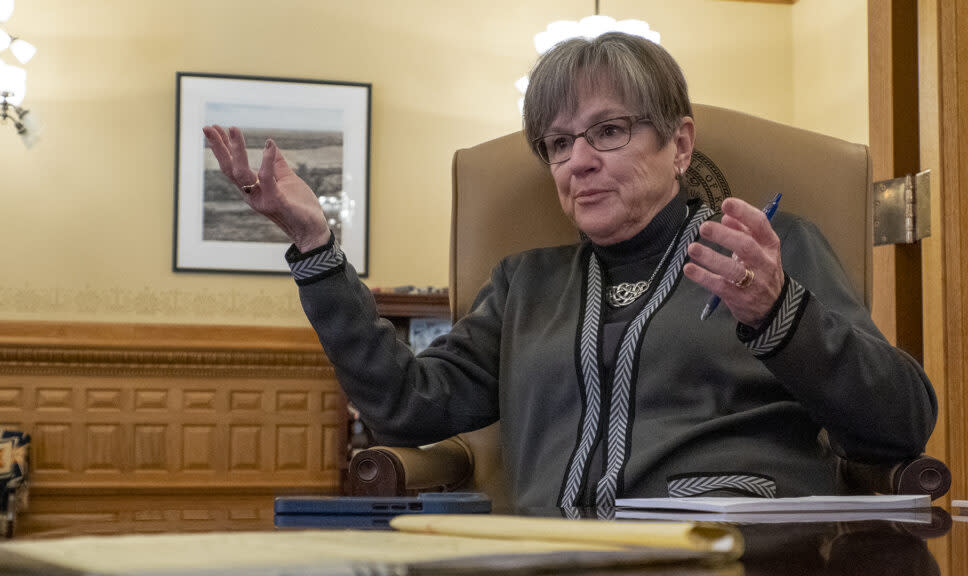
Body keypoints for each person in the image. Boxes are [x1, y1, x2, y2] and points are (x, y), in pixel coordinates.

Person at [202, 32, 937, 510]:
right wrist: (316, 249)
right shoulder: (527, 285)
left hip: (734, 559)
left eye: (609, 131)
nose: (577, 161)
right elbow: (407, 407)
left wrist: (779, 313)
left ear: (680, 145)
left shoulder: (771, 252)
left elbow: (902, 424)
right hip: (551, 558)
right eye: (557, 143)